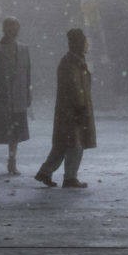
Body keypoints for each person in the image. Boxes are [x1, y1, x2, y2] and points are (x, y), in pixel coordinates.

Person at [34, 28, 96, 188]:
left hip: (68, 111)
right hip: (73, 111)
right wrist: (81, 108)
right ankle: (70, 177)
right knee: (75, 144)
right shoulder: (72, 63)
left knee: (63, 145)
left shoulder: (72, 61)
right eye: (85, 42)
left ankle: (46, 172)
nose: (87, 45)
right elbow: (76, 88)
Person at [0, 17, 32, 176]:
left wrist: (28, 94)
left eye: (16, 28)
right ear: (4, 29)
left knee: (15, 132)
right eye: (10, 28)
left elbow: (27, 74)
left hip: (18, 97)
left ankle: (12, 162)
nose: (14, 31)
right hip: (3, 98)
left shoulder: (24, 49)